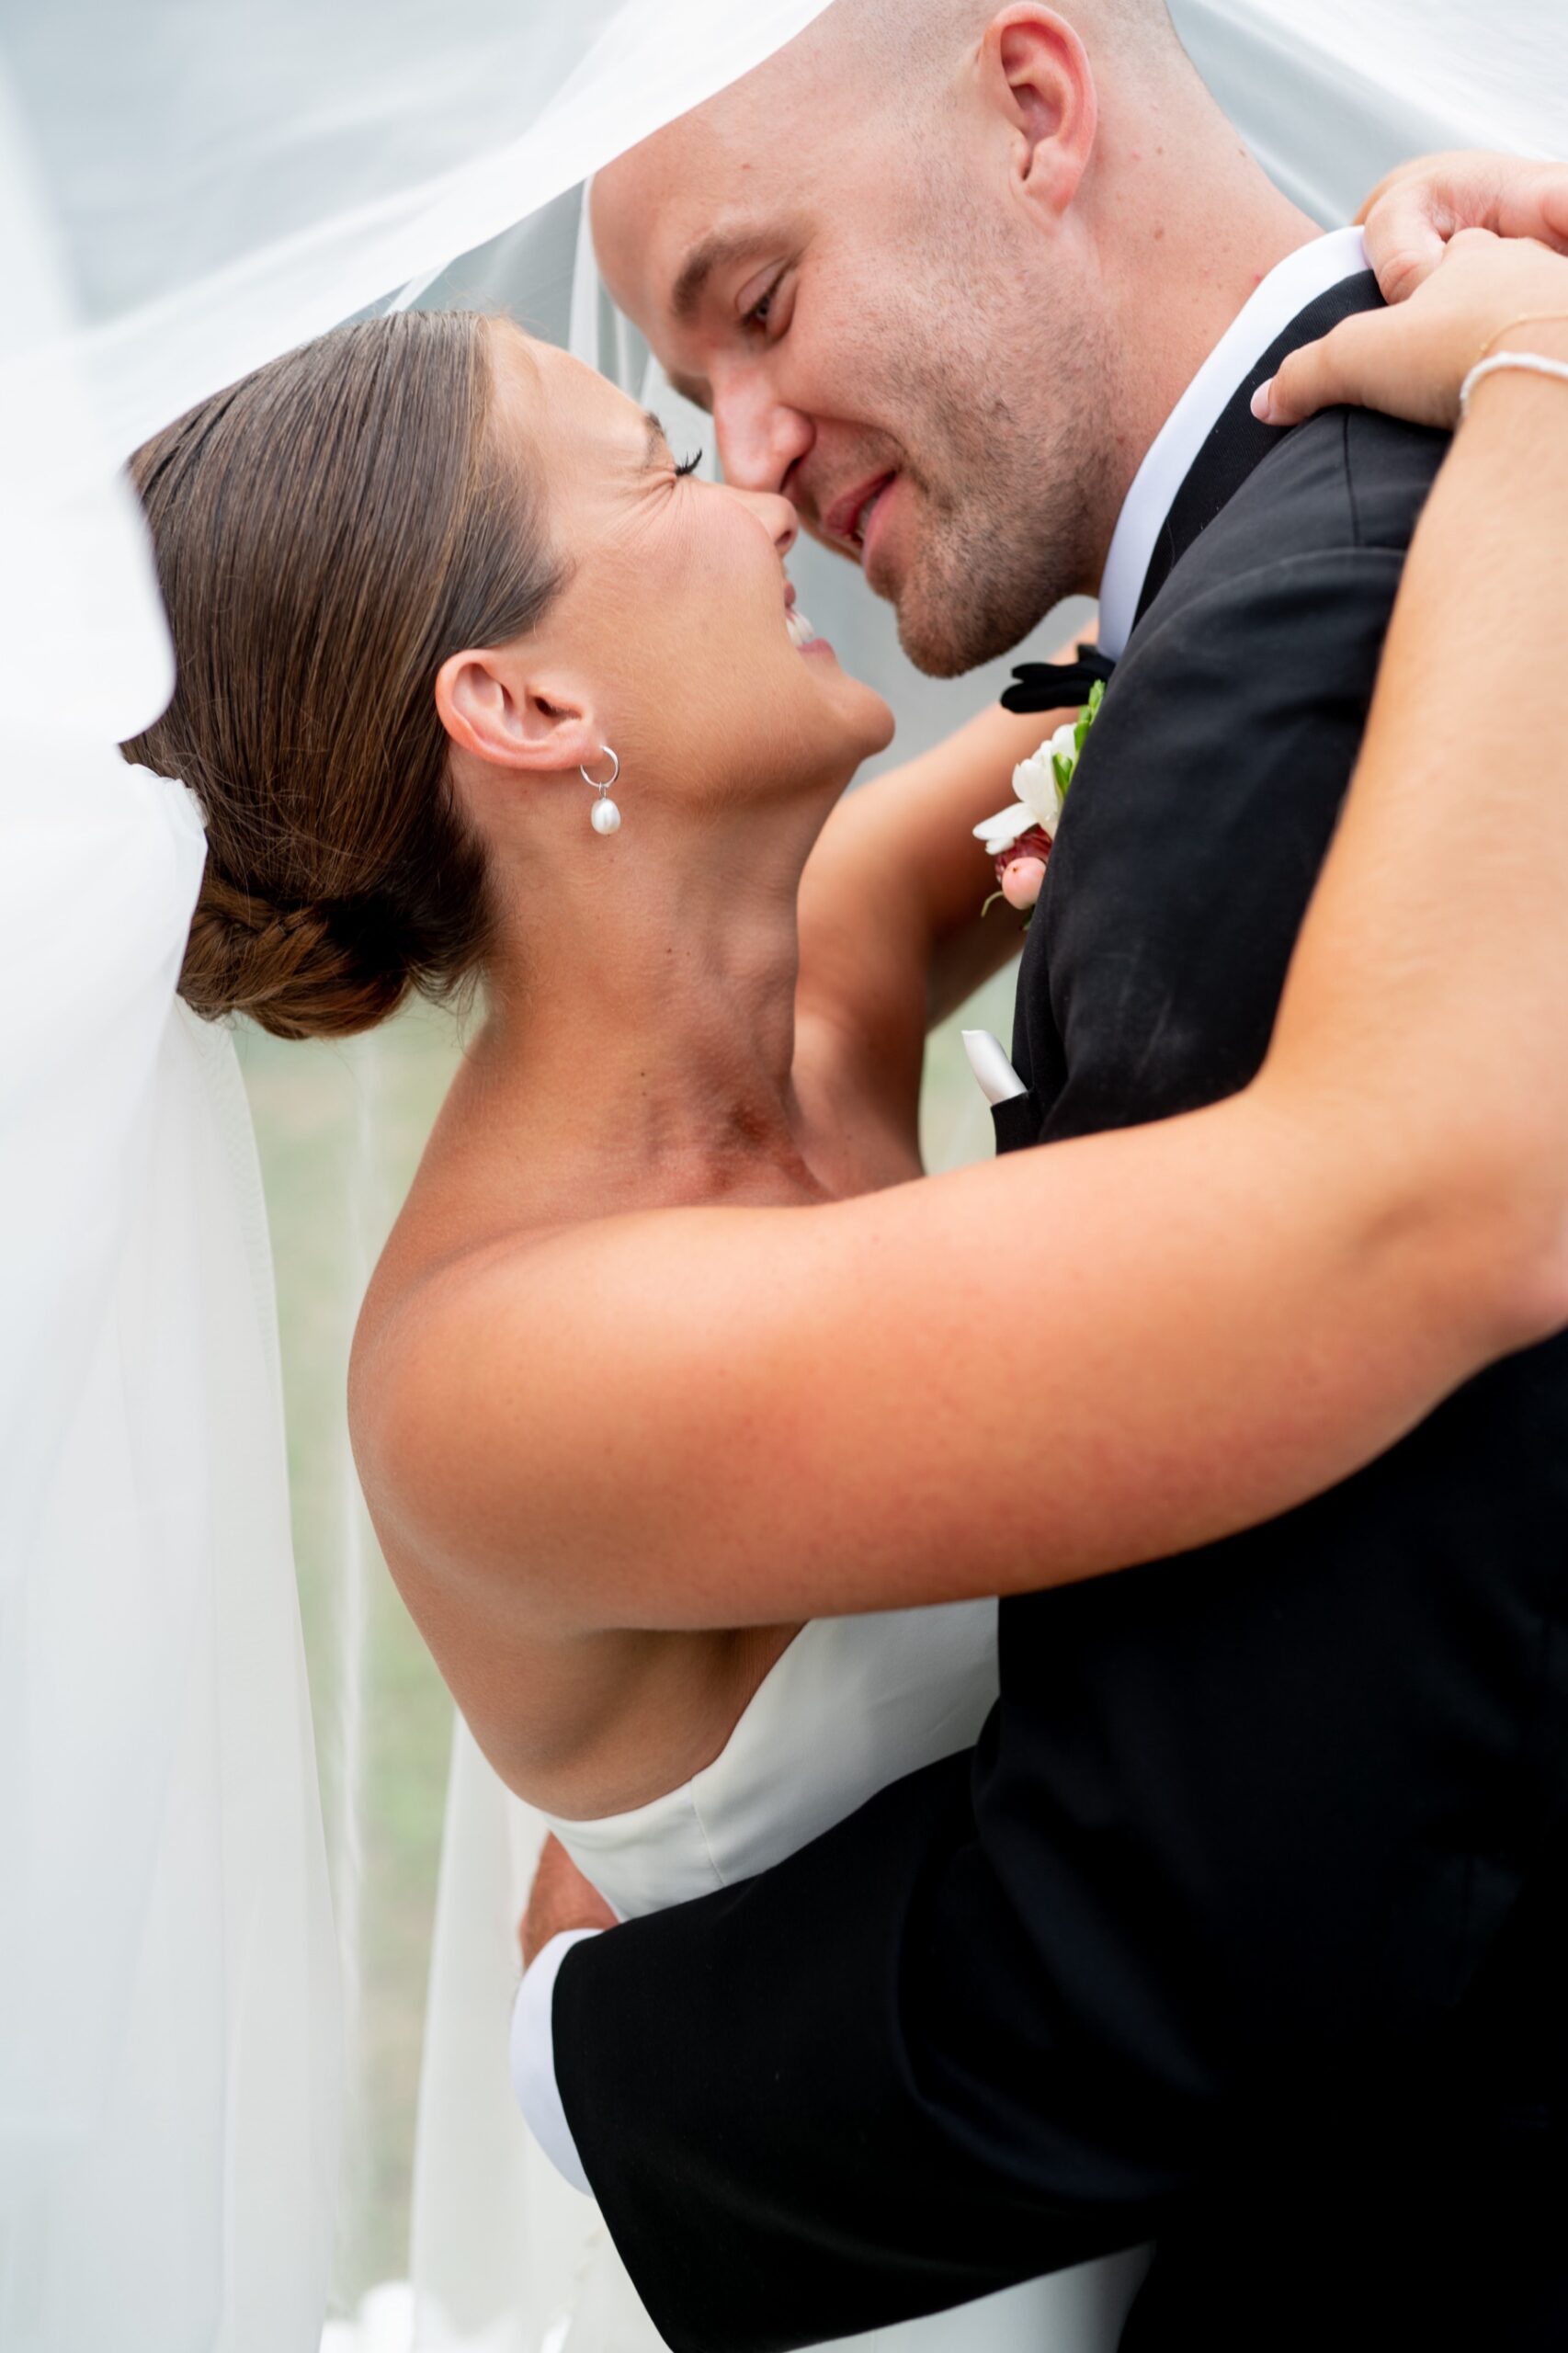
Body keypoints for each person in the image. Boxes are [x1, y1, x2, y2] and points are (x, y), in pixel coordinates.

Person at [468, 4, 1568, 2343]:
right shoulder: (1379, 555)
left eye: (755, 311)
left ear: (1036, 105)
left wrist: (600, 2057)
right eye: (673, 419)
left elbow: (1244, 1898)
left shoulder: (1288, 684)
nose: (750, 464)